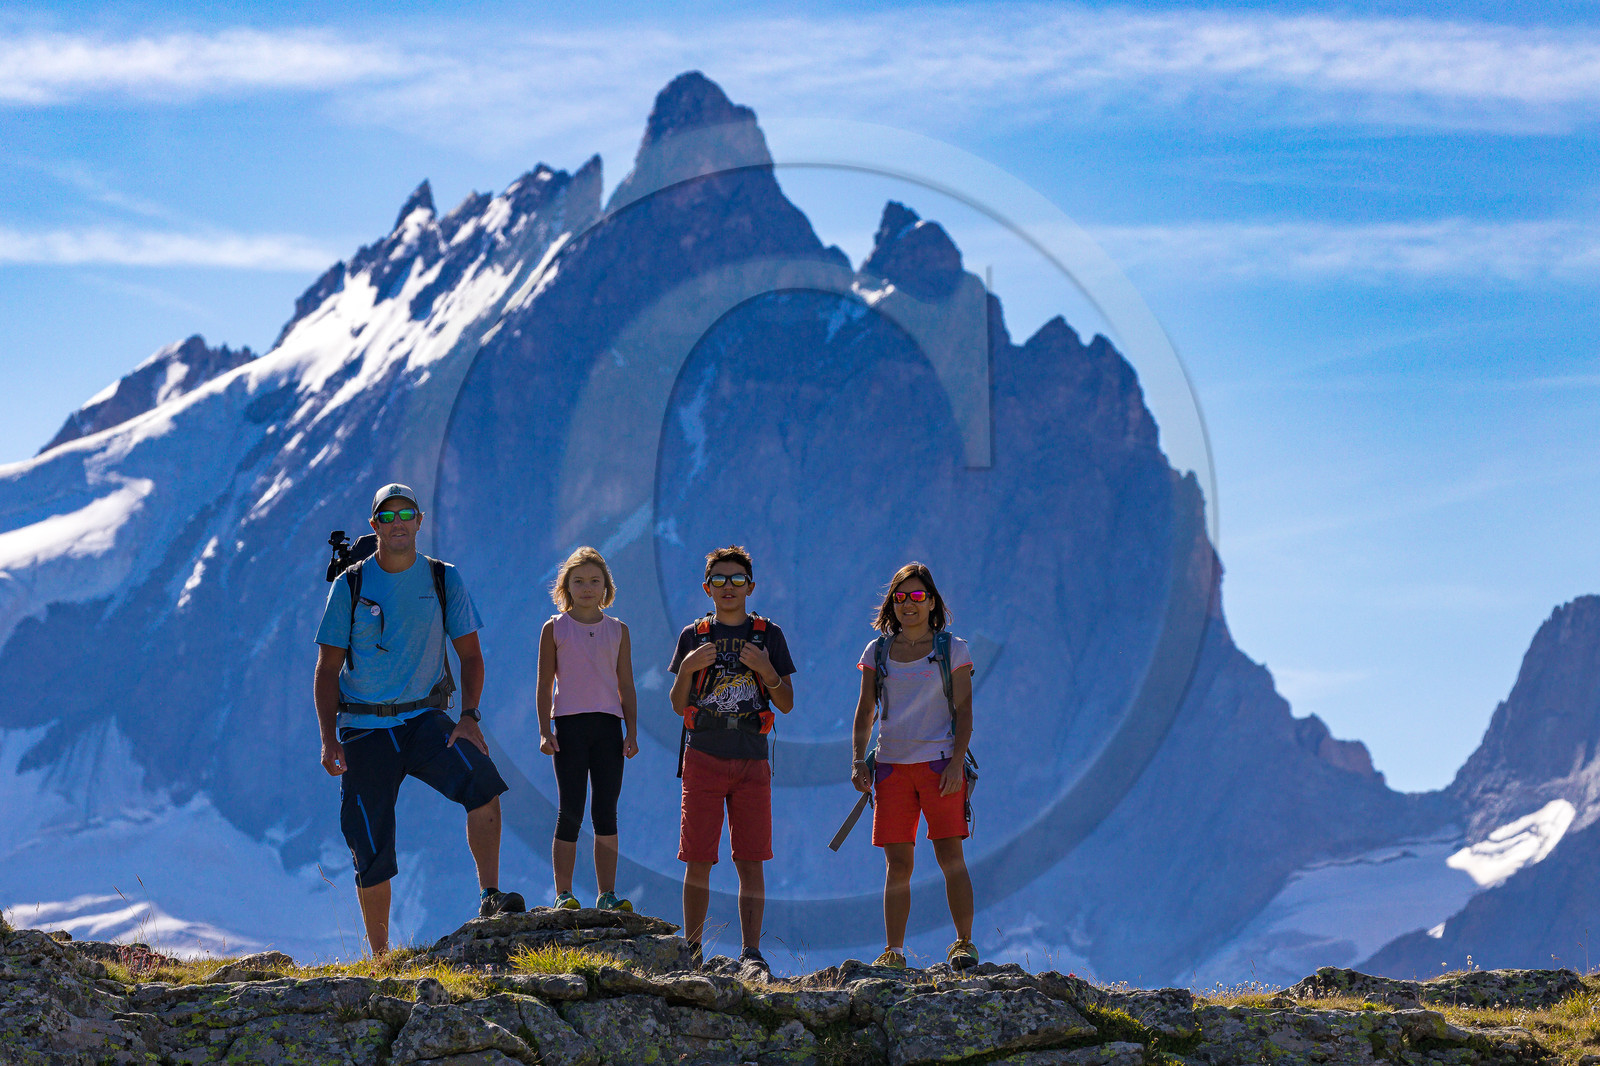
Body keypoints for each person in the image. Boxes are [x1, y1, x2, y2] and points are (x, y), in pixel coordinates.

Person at [314, 483, 524, 956]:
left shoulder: (442, 579)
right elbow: (327, 670)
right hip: (365, 727)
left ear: (420, 521)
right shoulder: (349, 584)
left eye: (406, 513)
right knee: (370, 842)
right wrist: (329, 739)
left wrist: (469, 716)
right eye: (387, 517)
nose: (398, 523)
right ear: (375, 526)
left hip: (425, 720)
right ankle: (382, 959)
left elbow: (470, 654)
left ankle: (490, 898)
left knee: (483, 784)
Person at [668, 545, 796, 971]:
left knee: (751, 858)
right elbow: (675, 704)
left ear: (750, 586)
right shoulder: (693, 637)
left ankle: (751, 953)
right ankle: (692, 951)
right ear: (707, 587)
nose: (729, 587)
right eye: (720, 580)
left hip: (751, 759)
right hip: (703, 755)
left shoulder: (768, 636)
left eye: (737, 580)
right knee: (698, 858)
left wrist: (767, 670)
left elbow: (787, 702)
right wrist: (687, 668)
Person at [849, 562, 978, 970]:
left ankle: (963, 945)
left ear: (932, 601)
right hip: (890, 769)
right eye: (901, 596)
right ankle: (895, 952)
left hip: (940, 767)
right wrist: (858, 761)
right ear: (892, 603)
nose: (909, 604)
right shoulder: (878, 652)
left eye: (918, 596)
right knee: (898, 864)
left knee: (949, 855)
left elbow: (965, 710)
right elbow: (865, 710)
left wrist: (957, 762)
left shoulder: (953, 649)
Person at [536, 546, 639, 911]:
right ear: (566, 586)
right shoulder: (555, 628)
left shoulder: (618, 631)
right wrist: (545, 730)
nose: (587, 588)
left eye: (595, 581)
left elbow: (626, 685)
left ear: (606, 587)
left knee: (606, 810)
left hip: (609, 728)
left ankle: (606, 895)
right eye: (578, 581)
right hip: (569, 727)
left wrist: (632, 732)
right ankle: (563, 893)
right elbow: (545, 683)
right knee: (571, 809)